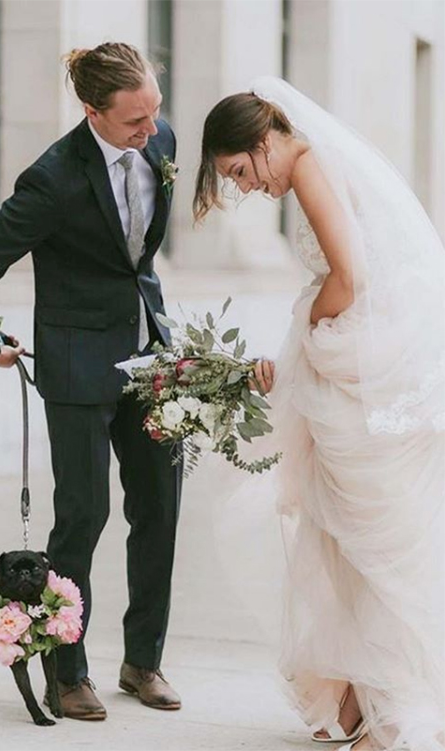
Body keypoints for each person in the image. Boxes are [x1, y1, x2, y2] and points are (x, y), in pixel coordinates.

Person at [193, 77, 444, 751]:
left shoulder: (306, 167)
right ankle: (367, 694)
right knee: (360, 539)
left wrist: (309, 330)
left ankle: (396, 703)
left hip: (358, 374)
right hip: (368, 366)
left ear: (264, 140)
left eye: (241, 172)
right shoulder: (318, 164)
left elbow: (351, 276)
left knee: (369, 542)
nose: (245, 187)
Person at [0, 42, 183, 721]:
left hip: (149, 357)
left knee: (160, 510)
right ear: (92, 112)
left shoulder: (160, 137)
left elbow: (136, 257)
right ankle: (67, 669)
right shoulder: (51, 178)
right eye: (135, 122)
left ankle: (144, 660)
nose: (151, 133)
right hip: (78, 365)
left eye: (155, 115)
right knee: (83, 517)